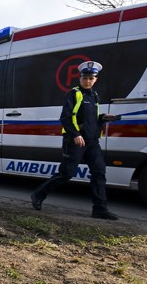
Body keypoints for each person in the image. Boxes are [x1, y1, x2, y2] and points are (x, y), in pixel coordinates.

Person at [30, 60, 122, 220]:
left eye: (91, 78)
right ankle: (38, 195)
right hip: (75, 141)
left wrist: (103, 118)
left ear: (95, 79)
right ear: (80, 78)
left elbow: (89, 118)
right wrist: (75, 134)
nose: (87, 81)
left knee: (99, 173)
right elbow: (66, 117)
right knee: (66, 174)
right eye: (85, 78)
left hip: (92, 141)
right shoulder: (74, 94)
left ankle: (100, 209)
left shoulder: (94, 95)